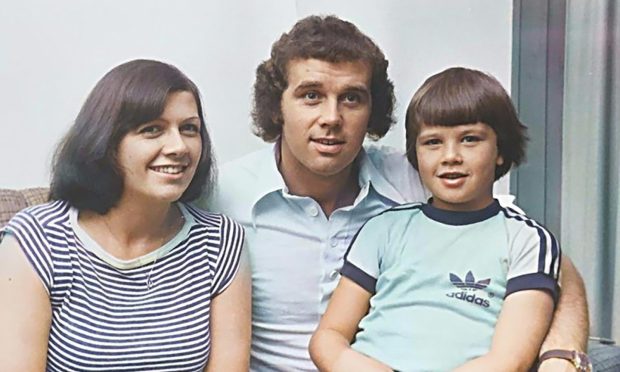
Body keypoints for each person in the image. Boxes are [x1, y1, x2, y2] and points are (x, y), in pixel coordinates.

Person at [204, 15, 589, 372]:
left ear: (373, 111)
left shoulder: (418, 175)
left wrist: (560, 356)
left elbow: (552, 267)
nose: (332, 118)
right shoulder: (221, 196)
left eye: (351, 98)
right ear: (277, 107)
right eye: (311, 96)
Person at [310, 67, 566, 371]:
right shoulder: (383, 229)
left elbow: (509, 361)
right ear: (415, 154)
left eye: (470, 139)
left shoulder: (525, 240)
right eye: (433, 142)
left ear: (500, 150)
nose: (450, 156)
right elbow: (328, 338)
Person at [0, 59, 250, 371]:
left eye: (189, 129)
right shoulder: (37, 239)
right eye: (152, 130)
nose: (178, 146)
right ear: (105, 141)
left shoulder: (221, 241)